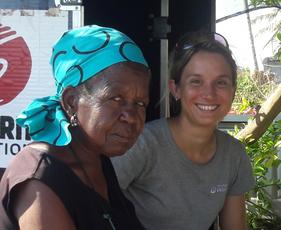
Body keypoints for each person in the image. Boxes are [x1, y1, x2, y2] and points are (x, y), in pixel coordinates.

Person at [0, 25, 151, 230]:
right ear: (71, 101)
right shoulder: (39, 179)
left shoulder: (97, 160)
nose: (131, 117)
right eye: (116, 98)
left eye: (140, 103)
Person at [112, 31, 255, 230]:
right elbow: (90, 208)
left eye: (221, 82)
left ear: (232, 91)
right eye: (196, 81)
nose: (209, 94)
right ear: (176, 89)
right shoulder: (143, 144)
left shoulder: (233, 155)